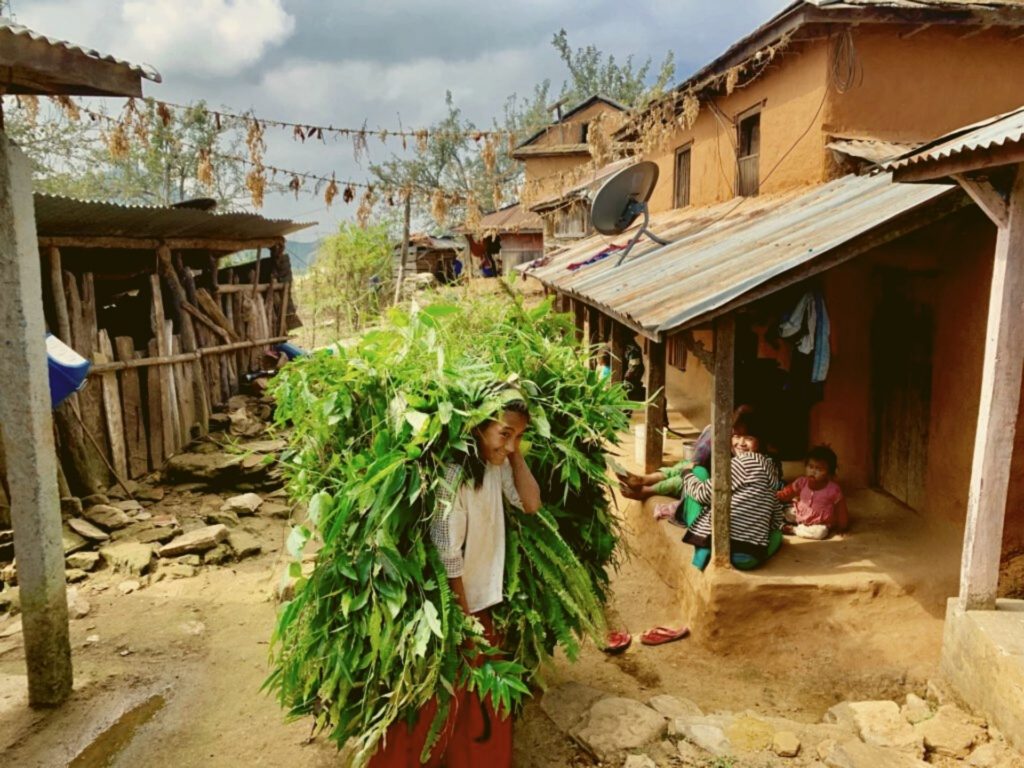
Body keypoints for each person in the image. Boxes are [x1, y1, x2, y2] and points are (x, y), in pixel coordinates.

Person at [369, 390, 541, 768]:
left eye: (518, 436)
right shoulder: (454, 475)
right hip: (455, 606)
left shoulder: (497, 467)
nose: (510, 445)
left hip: (481, 601)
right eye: (504, 433)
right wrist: (464, 621)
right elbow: (448, 557)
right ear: (478, 426)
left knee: (478, 701)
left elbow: (530, 503)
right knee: (442, 699)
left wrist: (516, 454)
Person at [679, 410, 784, 571]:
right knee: (777, 535)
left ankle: (703, 547)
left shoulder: (742, 463)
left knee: (698, 474)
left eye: (748, 438)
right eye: (736, 436)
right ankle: (757, 553)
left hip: (725, 550)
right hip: (750, 559)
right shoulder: (772, 469)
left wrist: (686, 473)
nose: (741, 443)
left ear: (760, 441)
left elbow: (701, 494)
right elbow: (776, 516)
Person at [776, 444, 848, 540]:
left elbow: (841, 510)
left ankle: (793, 529)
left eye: (819, 469)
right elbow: (788, 492)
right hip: (800, 514)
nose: (813, 471)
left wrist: (842, 527)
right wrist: (778, 495)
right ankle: (787, 523)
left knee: (820, 533)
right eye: (811, 467)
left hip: (820, 522)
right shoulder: (802, 482)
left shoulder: (833, 490)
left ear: (829, 472)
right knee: (781, 512)